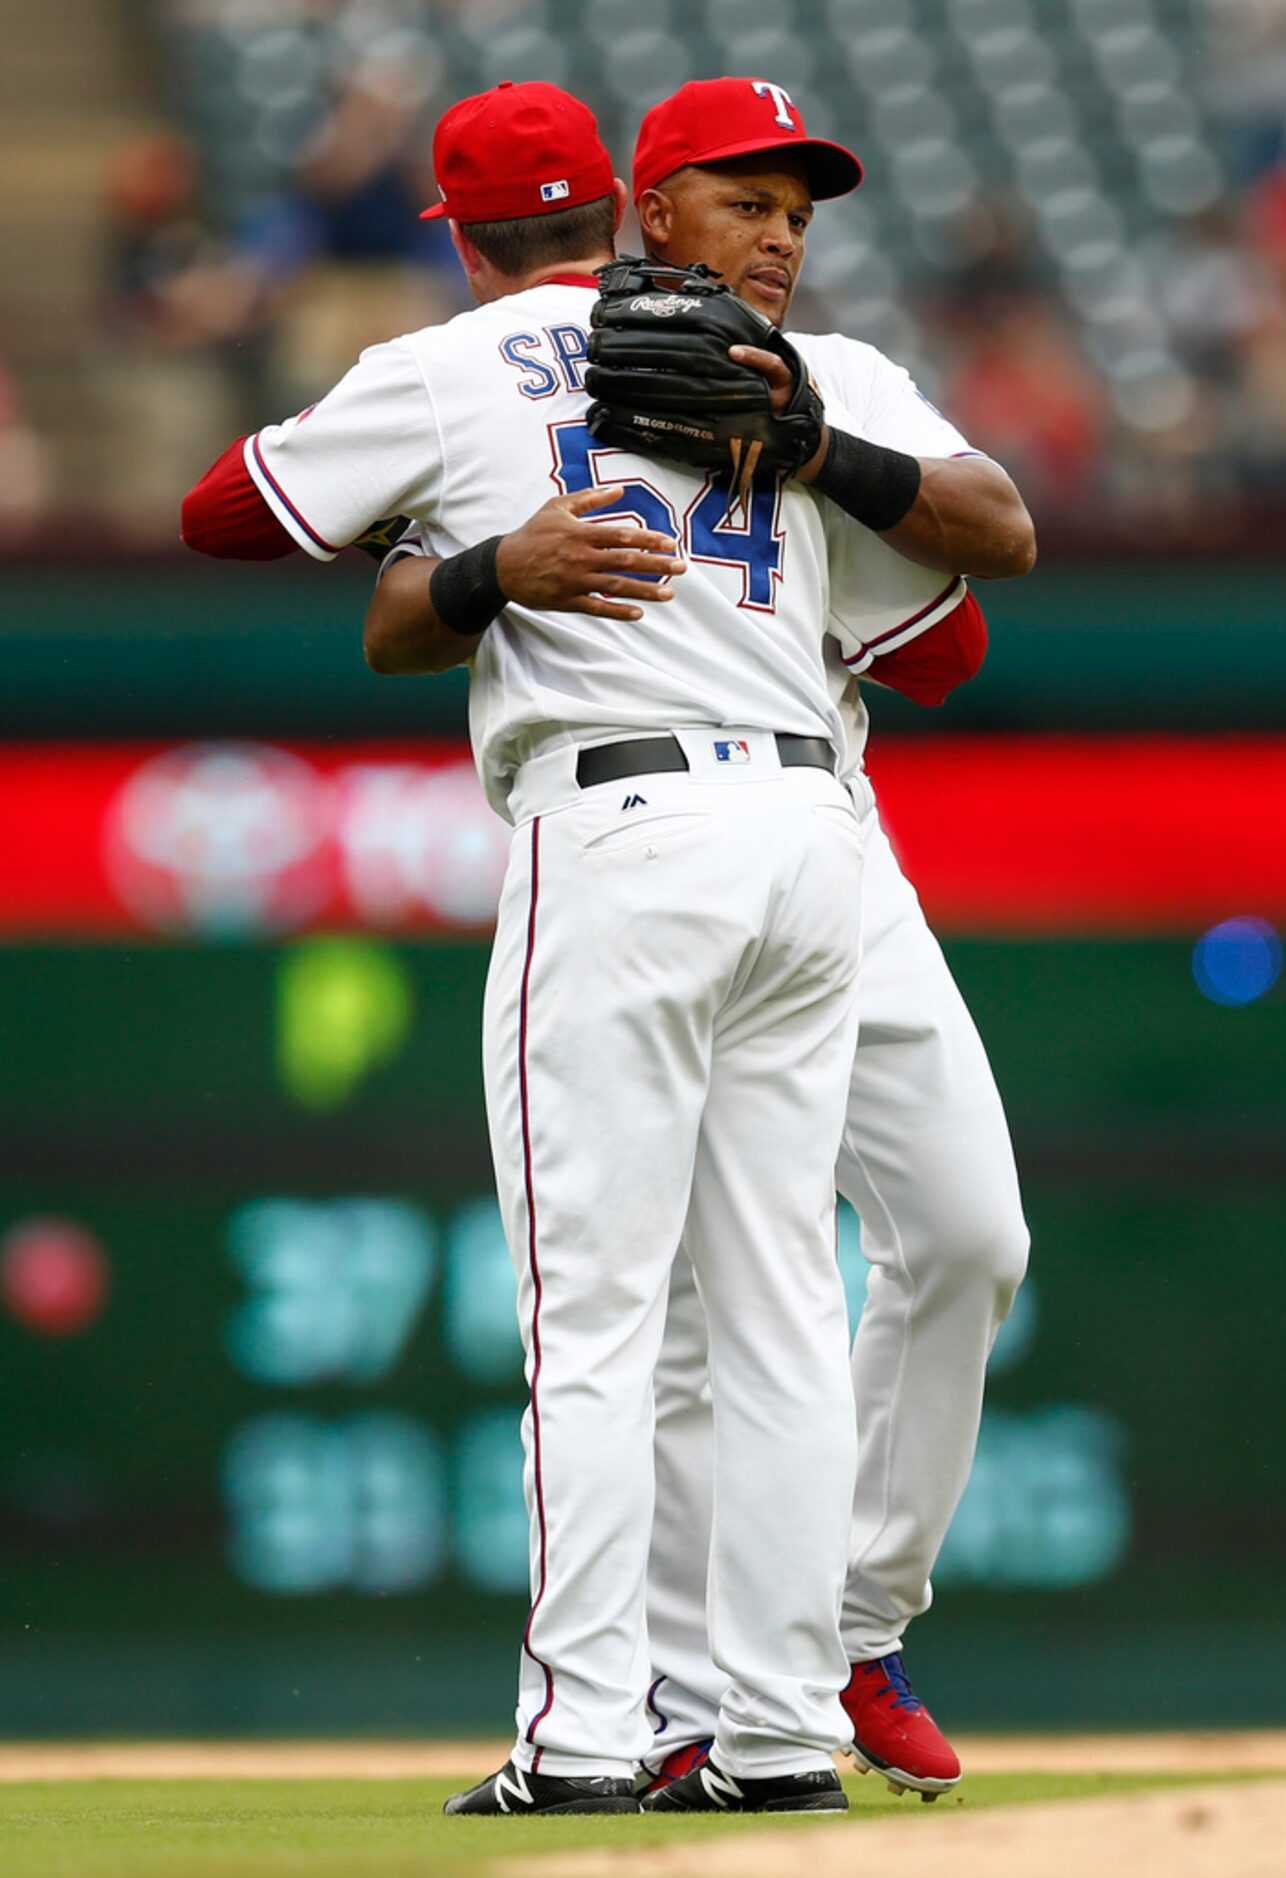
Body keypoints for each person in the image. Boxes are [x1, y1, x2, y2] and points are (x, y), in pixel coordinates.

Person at [183, 80, 885, 1819]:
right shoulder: (773, 362)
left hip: (626, 824)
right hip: (814, 831)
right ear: (634, 208)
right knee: (789, 1310)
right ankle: (783, 1732)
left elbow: (222, 515)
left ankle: (584, 1735)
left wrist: (469, 548)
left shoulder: (450, 362)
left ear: (466, 228)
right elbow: (941, 610)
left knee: (596, 1321)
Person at [361, 77, 1036, 1813]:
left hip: (820, 828)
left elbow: (983, 573)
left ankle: (843, 1624)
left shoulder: (846, 373)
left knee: (966, 1231)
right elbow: (371, 581)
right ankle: (698, 1696)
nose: (787, 231)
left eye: (803, 205)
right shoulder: (536, 371)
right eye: (750, 200)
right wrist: (491, 566)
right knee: (677, 1307)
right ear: (648, 210)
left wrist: (815, 453)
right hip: (669, 820)